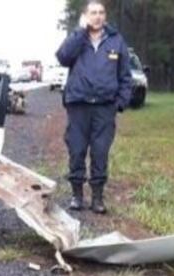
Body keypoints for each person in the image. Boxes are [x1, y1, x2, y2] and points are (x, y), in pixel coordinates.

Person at [55, 0, 132, 214]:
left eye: (101, 12)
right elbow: (62, 57)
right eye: (93, 13)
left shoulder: (116, 41)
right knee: (77, 150)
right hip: (78, 105)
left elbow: (125, 76)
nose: (97, 16)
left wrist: (120, 103)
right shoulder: (77, 38)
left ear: (105, 16)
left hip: (105, 108)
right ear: (85, 16)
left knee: (100, 152)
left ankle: (97, 198)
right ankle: (77, 195)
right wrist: (80, 30)